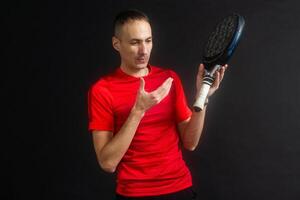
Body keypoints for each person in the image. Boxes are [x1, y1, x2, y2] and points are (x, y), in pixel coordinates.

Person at [88, 9, 227, 200]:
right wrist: (138, 111)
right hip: (134, 194)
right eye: (135, 42)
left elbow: (190, 142)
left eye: (148, 40)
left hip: (179, 188)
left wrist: (202, 97)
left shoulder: (169, 79)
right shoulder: (102, 90)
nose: (144, 50)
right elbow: (107, 163)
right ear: (116, 44)